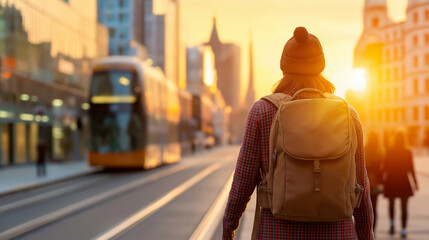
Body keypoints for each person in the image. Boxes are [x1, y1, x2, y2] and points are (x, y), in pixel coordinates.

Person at [222, 27, 374, 239]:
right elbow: (361, 186)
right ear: (320, 67)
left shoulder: (262, 111)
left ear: (284, 68)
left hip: (277, 232)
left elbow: (242, 181)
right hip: (337, 233)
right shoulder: (348, 115)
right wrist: (367, 234)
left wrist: (229, 226)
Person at [383, 132, 418, 238]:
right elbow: (411, 169)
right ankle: (403, 230)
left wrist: (382, 180)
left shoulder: (389, 151)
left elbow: (385, 167)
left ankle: (392, 224)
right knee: (404, 207)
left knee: (391, 204)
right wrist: (415, 182)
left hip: (391, 180)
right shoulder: (408, 152)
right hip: (404, 181)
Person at [365, 131, 384, 233]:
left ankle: (367, 228)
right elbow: (382, 169)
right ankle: (373, 230)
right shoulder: (379, 151)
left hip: (365, 181)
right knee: (374, 207)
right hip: (376, 182)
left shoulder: (364, 149)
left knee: (365, 207)